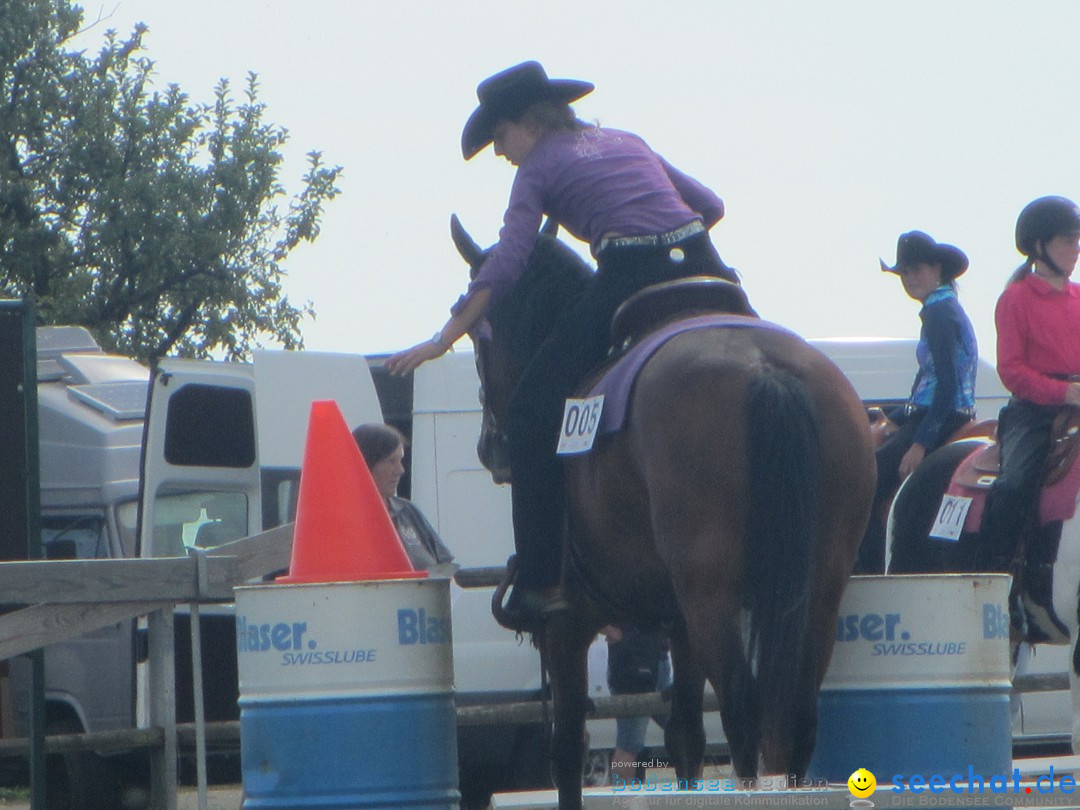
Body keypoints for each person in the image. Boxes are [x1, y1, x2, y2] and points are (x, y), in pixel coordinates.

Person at [386, 61, 742, 630]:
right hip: (705, 265)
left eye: (500, 138)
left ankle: (540, 580)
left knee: (529, 412)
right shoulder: (627, 139)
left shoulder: (535, 170)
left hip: (629, 272)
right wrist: (669, 235)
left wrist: (444, 337)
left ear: (526, 123)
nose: (501, 153)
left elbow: (508, 263)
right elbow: (712, 206)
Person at [854, 231, 978, 574]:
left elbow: (947, 385)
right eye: (904, 273)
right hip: (946, 413)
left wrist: (921, 442)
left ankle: (865, 571)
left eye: (917, 269)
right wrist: (896, 417)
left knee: (862, 483)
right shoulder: (944, 309)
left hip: (940, 417)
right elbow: (928, 379)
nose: (910, 279)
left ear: (938, 269)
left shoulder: (939, 315)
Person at [980, 196, 1080, 571]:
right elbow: (1012, 371)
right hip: (1034, 412)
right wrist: (1064, 391)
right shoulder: (1015, 299)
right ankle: (1000, 574)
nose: (1077, 249)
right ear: (1039, 246)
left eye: (1078, 240)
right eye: (1068, 240)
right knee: (1014, 484)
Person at [352, 423, 457, 575]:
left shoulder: (408, 512)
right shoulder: (346, 521)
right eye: (391, 461)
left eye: (400, 460)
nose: (400, 470)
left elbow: (446, 568)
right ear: (365, 463)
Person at [602, 625, 672, 784]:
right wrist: (609, 630)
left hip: (658, 658)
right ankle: (624, 802)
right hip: (631, 662)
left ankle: (693, 797)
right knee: (628, 744)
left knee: (684, 730)